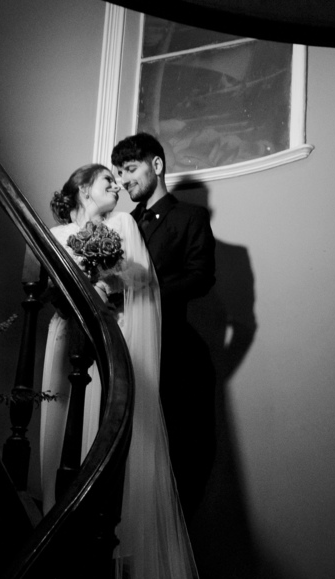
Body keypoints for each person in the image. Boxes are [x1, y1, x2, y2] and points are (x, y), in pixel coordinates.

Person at [39, 164, 282, 579]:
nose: (115, 189)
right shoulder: (59, 233)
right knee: (61, 436)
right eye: (104, 181)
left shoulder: (124, 229)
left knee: (103, 439)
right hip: (66, 343)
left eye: (119, 181)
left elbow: (142, 292)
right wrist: (82, 282)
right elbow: (53, 287)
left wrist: (110, 279)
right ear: (80, 192)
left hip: (107, 343)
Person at [111, 133, 218, 523]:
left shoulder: (190, 217)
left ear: (156, 165)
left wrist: (146, 293)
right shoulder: (121, 224)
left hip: (174, 352)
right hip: (126, 352)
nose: (124, 180)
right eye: (118, 174)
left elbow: (201, 277)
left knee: (178, 453)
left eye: (130, 169)